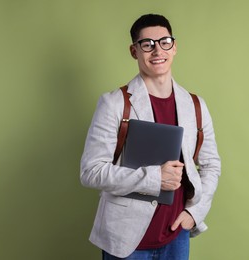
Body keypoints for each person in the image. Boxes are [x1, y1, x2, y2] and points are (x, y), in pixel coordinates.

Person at [80, 14, 221, 259]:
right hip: (125, 240)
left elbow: (211, 165)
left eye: (164, 41)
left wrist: (195, 213)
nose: (157, 50)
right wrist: (155, 178)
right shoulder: (114, 103)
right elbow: (91, 171)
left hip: (176, 236)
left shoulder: (196, 105)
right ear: (134, 51)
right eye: (147, 44)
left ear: (174, 47)